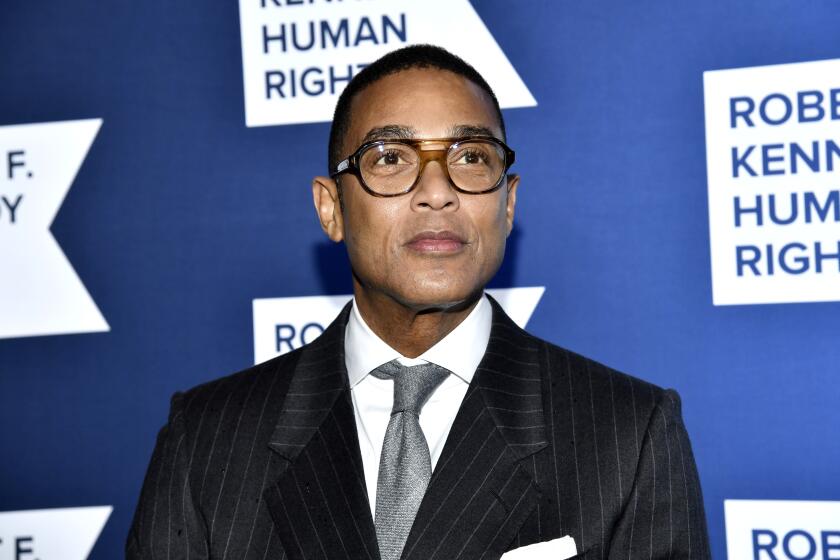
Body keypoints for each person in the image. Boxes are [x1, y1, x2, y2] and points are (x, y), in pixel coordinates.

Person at [127, 44, 710, 560]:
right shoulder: (206, 441)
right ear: (330, 208)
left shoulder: (626, 433)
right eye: (389, 158)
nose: (437, 191)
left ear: (507, 206)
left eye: (471, 157)